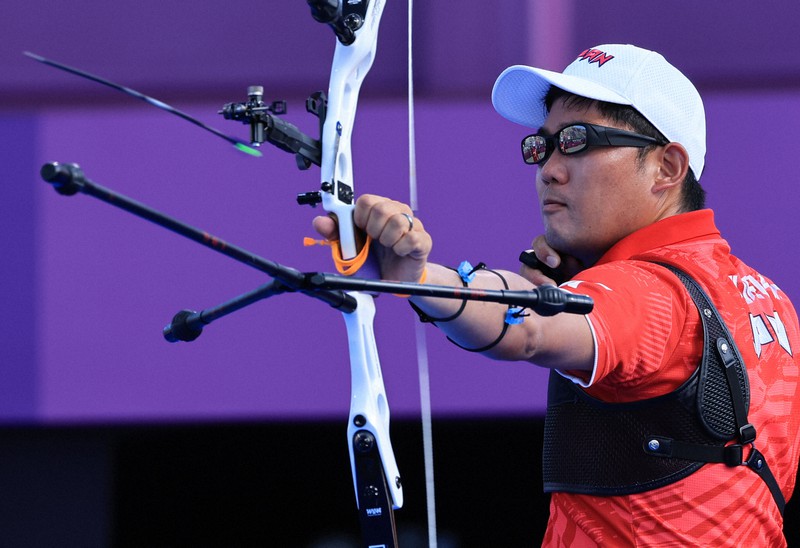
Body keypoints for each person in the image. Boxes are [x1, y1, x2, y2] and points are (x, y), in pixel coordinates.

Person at [314, 44, 800, 546]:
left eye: (577, 141)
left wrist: (415, 277)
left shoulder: (649, 291)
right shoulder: (770, 301)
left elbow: (531, 328)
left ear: (667, 168)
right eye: (541, 146)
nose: (548, 168)